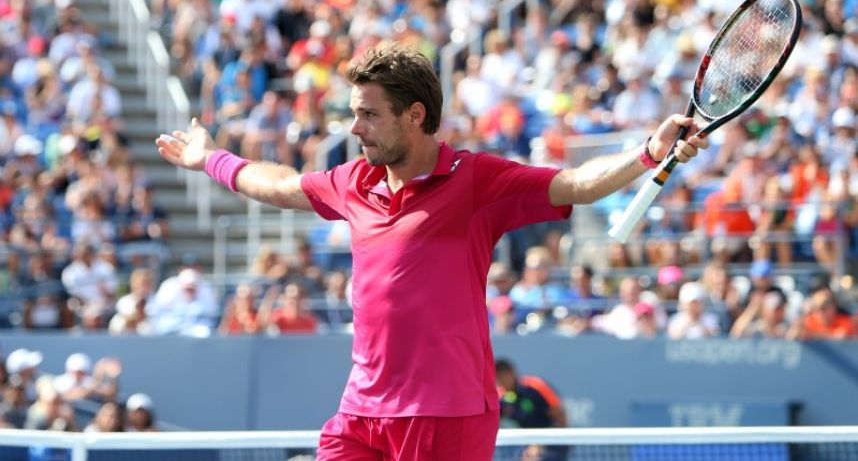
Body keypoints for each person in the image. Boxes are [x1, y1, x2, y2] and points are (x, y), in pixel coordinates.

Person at [157, 43, 706, 460]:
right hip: (362, 410)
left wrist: (647, 152)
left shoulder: (477, 180)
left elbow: (577, 183)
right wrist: (211, 159)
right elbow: (277, 184)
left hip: (448, 414)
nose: (356, 129)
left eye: (369, 114)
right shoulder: (353, 181)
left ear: (414, 116)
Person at [495, 358, 567, 461]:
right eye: (498, 379)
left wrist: (541, 443)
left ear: (511, 373)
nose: (501, 382)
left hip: (553, 441)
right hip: (528, 441)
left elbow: (560, 417)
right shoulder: (501, 396)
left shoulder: (537, 387)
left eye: (503, 377)